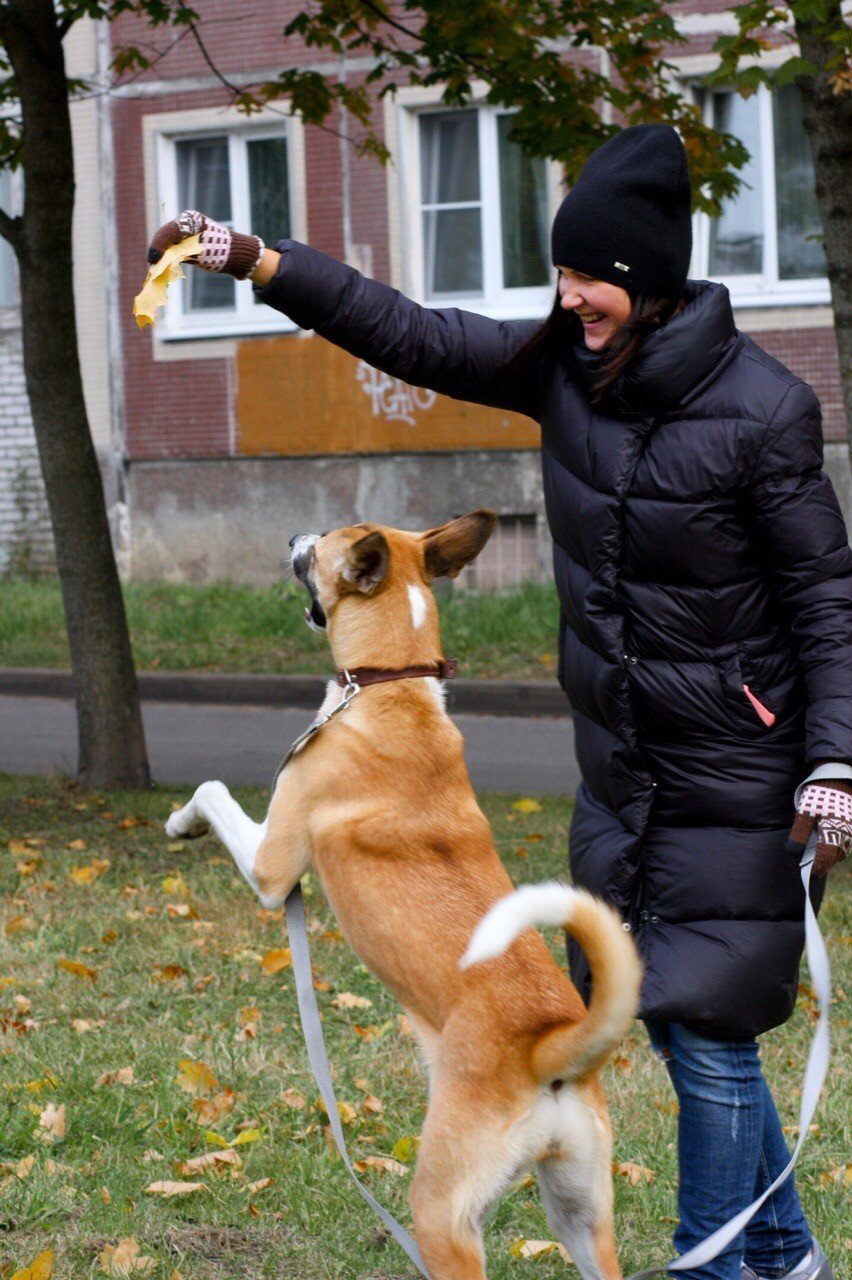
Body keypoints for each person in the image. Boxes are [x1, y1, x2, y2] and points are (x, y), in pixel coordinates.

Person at [148, 124, 850, 1280]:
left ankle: (715, 1262)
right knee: (671, 1010)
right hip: (626, 769)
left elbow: (828, 599)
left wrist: (836, 762)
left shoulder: (764, 411)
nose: (569, 296)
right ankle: (782, 1249)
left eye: (590, 280)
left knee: (710, 1029)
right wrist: (261, 261)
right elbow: (414, 334)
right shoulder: (564, 366)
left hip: (744, 766)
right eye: (562, 275)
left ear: (648, 279)